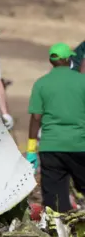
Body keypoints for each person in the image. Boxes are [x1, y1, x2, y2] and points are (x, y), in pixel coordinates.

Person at [26, 43, 85, 213]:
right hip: (80, 145)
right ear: (68, 59)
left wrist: (31, 150)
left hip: (51, 148)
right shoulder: (82, 81)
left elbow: (36, 118)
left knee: (55, 201)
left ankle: (60, 234)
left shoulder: (41, 84)